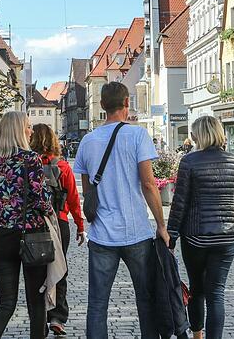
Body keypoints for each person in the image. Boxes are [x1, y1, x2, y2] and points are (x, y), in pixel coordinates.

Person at [74, 81, 168, 339]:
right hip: (136, 231)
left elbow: (88, 191)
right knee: (146, 299)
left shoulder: (88, 141)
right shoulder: (137, 135)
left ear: (102, 106)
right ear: (127, 104)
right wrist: (161, 226)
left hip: (102, 234)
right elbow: (149, 184)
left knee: (97, 304)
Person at [167, 116, 234, 339]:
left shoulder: (190, 161)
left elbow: (180, 202)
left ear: (196, 136)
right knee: (216, 294)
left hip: (196, 238)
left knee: (197, 289)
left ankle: (197, 335)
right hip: (226, 237)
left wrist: (171, 236)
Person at [0, 111, 54, 339]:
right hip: (31, 234)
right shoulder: (30, 159)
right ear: (18, 130)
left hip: (1, 235)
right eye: (28, 126)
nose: (31, 131)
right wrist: (50, 212)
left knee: (6, 304)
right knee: (36, 303)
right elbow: (41, 198)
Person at [29, 124, 85, 337]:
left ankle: (39, 320)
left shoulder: (28, 165)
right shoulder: (62, 166)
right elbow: (73, 199)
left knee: (36, 273)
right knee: (60, 270)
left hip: (35, 224)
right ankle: (58, 318)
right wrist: (80, 226)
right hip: (60, 223)